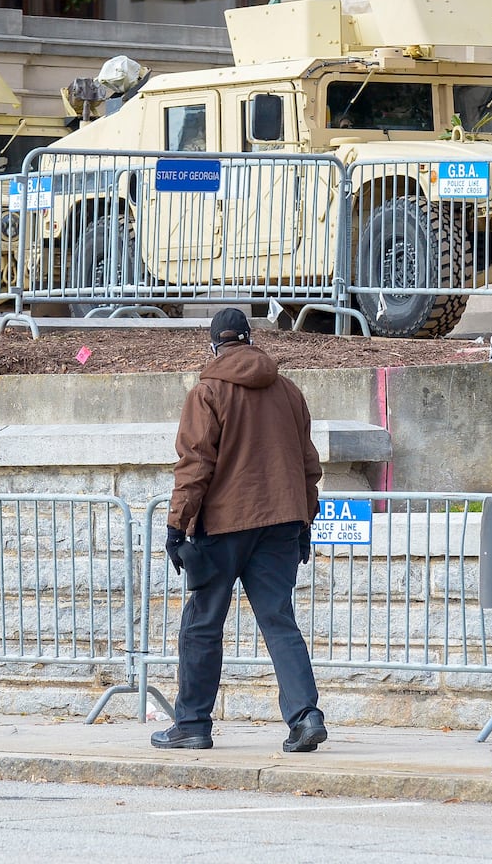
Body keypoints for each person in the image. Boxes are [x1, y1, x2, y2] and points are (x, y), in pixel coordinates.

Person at [151, 308, 327, 753]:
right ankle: (306, 716)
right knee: (278, 619)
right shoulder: (288, 391)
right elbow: (309, 466)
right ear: (250, 341)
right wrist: (305, 520)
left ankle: (191, 723)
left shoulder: (207, 392)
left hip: (225, 524)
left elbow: (195, 465)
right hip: (283, 523)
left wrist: (177, 525)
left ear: (213, 345)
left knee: (203, 625)